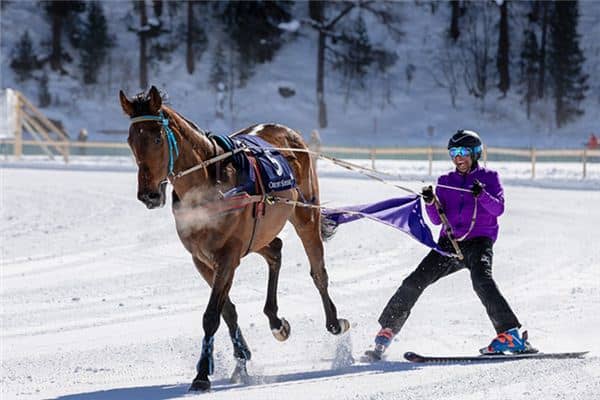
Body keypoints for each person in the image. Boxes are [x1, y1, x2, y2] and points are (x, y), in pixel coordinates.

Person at [365, 129, 535, 361]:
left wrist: (482, 194)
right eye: (453, 152)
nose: (458, 157)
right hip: (449, 244)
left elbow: (498, 209)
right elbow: (436, 219)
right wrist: (430, 202)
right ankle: (388, 330)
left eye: (463, 152)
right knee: (415, 281)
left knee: (482, 281)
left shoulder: (490, 177)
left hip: (479, 243)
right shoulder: (445, 182)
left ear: (475, 153)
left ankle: (510, 334)